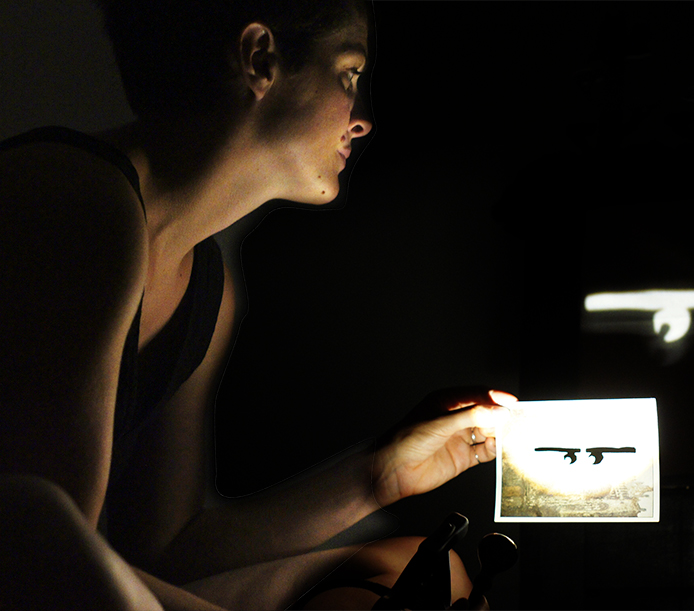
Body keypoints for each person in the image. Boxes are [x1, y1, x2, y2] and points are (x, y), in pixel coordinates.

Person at [0, 0, 516, 609]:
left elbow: (164, 551)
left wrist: (382, 479)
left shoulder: (205, 289)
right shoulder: (77, 203)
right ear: (260, 58)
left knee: (427, 576)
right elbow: (39, 555)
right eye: (349, 74)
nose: (362, 119)